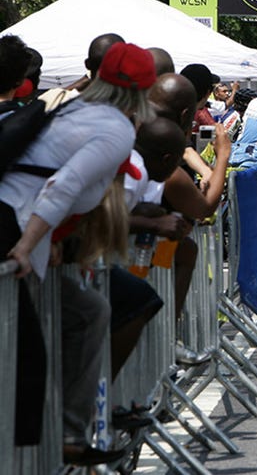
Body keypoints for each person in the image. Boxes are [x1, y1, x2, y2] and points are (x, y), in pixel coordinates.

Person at [1, 41, 155, 465]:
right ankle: (61, 434)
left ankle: (64, 432)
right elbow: (60, 187)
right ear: (145, 92)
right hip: (13, 225)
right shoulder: (116, 130)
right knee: (43, 338)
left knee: (84, 311)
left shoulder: (72, 109)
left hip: (15, 219)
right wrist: (27, 246)